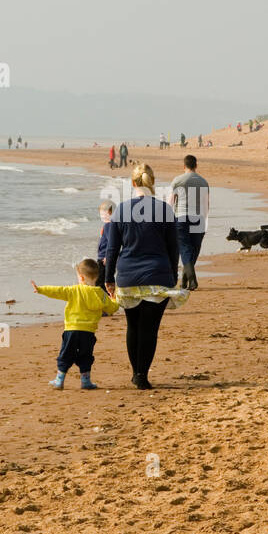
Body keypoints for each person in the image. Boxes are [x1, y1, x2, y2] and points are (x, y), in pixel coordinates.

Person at [105, 164, 188, 389]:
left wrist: (108, 278)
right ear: (153, 181)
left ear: (133, 183)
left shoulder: (121, 209)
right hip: (158, 274)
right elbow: (174, 248)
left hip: (128, 276)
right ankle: (142, 375)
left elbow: (112, 249)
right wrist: (172, 276)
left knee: (133, 326)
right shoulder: (165, 210)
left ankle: (136, 372)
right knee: (150, 329)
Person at [32, 258, 119, 390]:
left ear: (82, 278)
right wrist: (114, 297)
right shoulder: (100, 294)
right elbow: (112, 308)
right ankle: (85, 381)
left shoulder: (74, 290)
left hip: (71, 330)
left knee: (65, 354)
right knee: (86, 356)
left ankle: (59, 381)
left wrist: (41, 289)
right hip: (88, 332)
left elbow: (57, 291)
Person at [170, 155, 210, 290]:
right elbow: (206, 204)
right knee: (194, 249)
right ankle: (191, 279)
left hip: (181, 217)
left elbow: (172, 202)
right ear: (196, 166)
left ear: (184, 166)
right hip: (198, 218)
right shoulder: (203, 182)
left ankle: (187, 279)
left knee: (185, 248)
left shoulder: (177, 180)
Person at [96, 201, 116, 285]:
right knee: (105, 279)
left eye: (103, 214)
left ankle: (103, 296)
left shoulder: (108, 225)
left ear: (110, 213)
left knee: (100, 282)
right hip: (106, 257)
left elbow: (111, 242)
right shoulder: (113, 225)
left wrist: (107, 256)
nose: (101, 216)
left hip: (103, 259)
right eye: (100, 214)